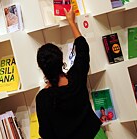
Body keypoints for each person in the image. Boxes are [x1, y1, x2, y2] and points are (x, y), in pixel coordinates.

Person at [35, 7, 102, 139]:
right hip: (95, 135)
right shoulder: (76, 77)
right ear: (61, 60)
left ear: (42, 68)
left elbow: (46, 134)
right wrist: (71, 22)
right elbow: (83, 49)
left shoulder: (43, 98)